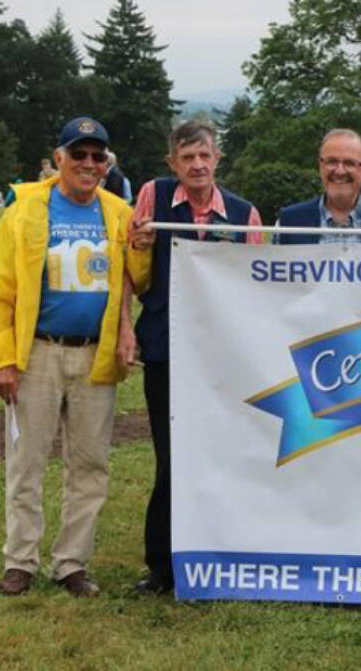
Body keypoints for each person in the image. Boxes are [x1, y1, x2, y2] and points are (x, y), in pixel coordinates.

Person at [0, 116, 151, 598]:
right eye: (79, 154)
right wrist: (1, 358)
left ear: (107, 163)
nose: (89, 164)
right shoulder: (26, 210)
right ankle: (20, 561)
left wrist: (141, 249)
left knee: (90, 465)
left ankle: (72, 563)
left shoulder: (118, 212)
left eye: (98, 157)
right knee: (27, 461)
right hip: (38, 354)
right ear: (59, 159)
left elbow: (139, 277)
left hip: (95, 357)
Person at [118, 119, 265, 595]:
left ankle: (226, 552)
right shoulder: (152, 197)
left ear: (218, 158)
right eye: (187, 158)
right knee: (170, 456)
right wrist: (126, 326)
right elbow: (132, 270)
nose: (197, 165)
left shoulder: (246, 214)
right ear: (172, 164)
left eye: (205, 155)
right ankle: (161, 565)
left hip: (224, 357)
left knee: (225, 451)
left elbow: (261, 286)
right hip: (166, 348)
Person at [276, 129, 361, 245]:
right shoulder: (287, 224)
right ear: (320, 166)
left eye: (349, 163)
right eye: (331, 162)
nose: (340, 171)